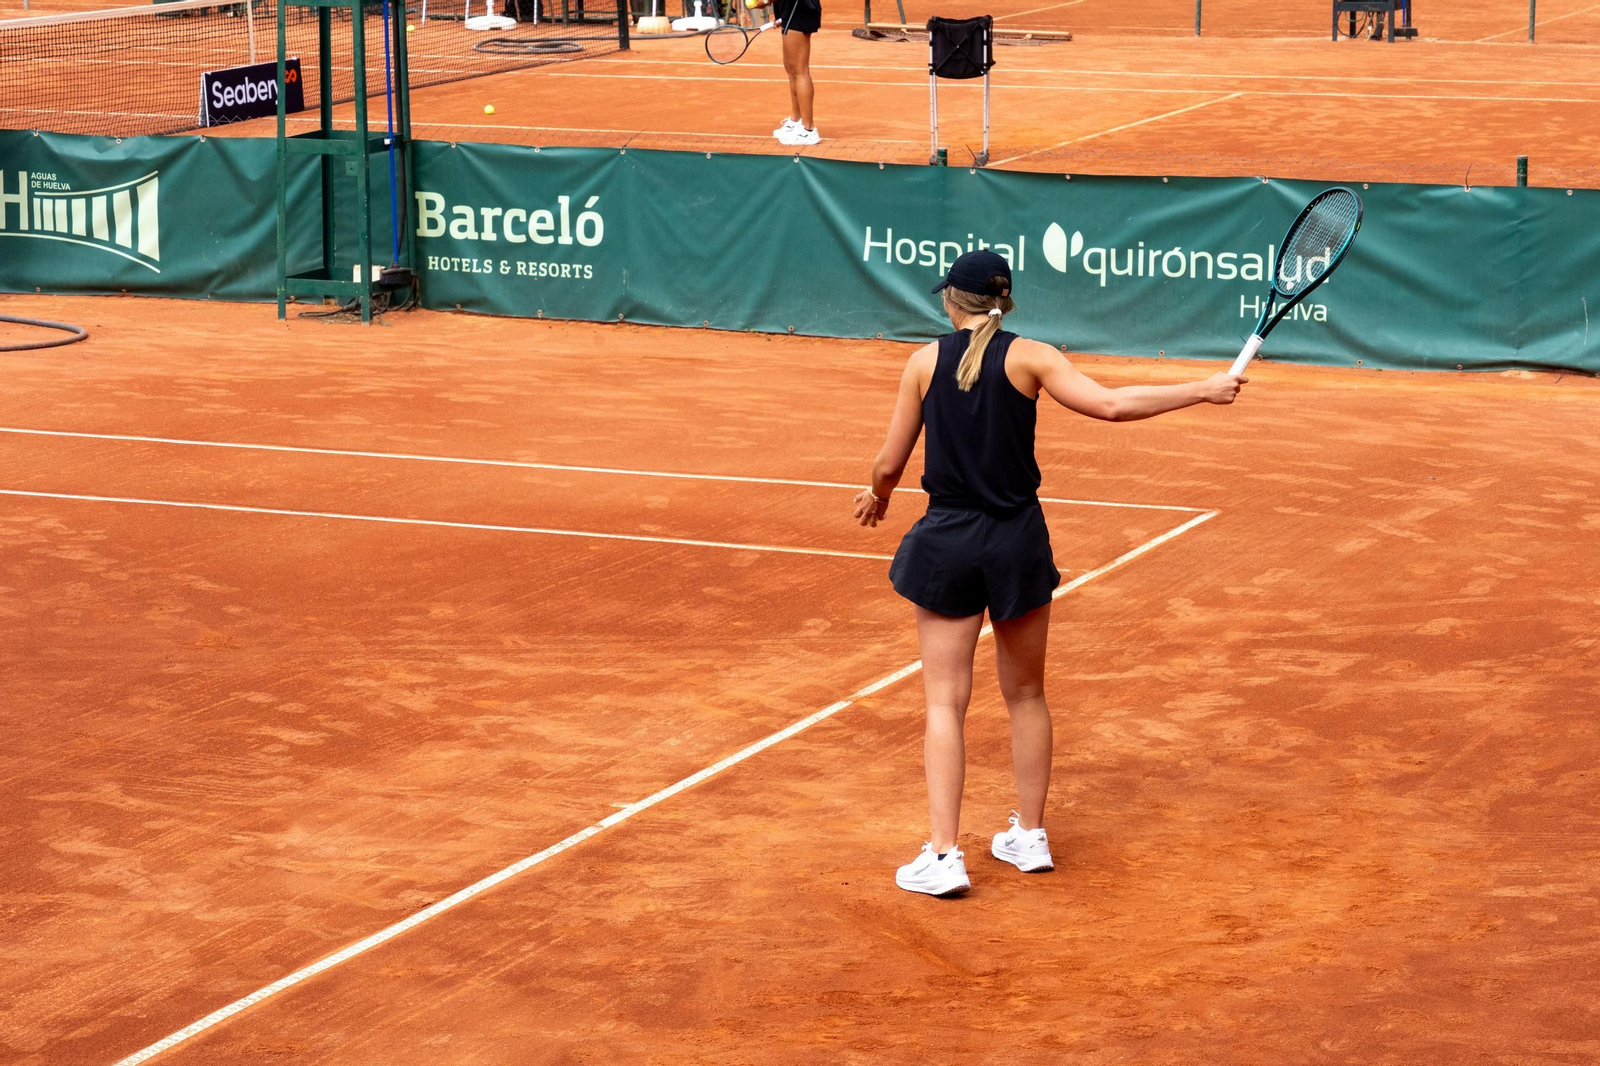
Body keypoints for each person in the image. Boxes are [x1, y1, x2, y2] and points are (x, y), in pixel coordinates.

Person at [852, 249, 1246, 897]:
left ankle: (945, 855)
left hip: (948, 543)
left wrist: (881, 495)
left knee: (944, 703)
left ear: (953, 301)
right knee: (1027, 694)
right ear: (1005, 301)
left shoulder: (923, 363)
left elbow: (889, 465)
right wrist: (1200, 390)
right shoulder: (1033, 356)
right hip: (1016, 543)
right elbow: (1113, 406)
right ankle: (1029, 837)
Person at [769, 0, 821, 145]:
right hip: (789, 7)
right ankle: (797, 120)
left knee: (800, 70)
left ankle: (809, 130)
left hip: (799, 7)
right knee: (790, 68)